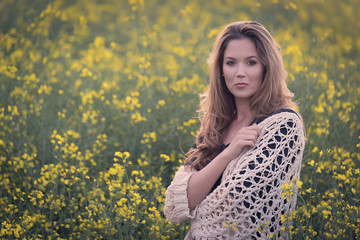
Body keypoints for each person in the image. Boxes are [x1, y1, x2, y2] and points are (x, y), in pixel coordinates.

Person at [164, 21, 305, 239]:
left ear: (267, 67)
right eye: (231, 63)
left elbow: (237, 205)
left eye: (251, 62)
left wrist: (197, 211)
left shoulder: (283, 125)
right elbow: (177, 202)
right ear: (220, 70)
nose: (240, 73)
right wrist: (230, 153)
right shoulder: (215, 127)